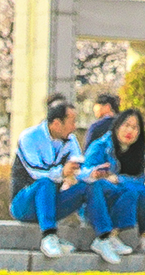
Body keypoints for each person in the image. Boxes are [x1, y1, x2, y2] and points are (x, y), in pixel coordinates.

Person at [12, 96, 119, 260]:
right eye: (72, 122)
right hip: (24, 204)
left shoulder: (70, 141)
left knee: (90, 186)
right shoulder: (29, 137)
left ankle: (104, 238)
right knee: (45, 182)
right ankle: (49, 236)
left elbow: (78, 168)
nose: (74, 127)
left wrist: (92, 174)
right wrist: (62, 172)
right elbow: (36, 172)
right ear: (56, 123)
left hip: (52, 204)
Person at [83, 100, 145, 257]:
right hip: (96, 200)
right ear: (117, 126)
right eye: (126, 125)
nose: (129, 131)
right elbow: (88, 176)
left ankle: (144, 238)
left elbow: (139, 180)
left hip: (121, 191)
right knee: (130, 191)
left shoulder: (136, 152)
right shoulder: (100, 146)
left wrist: (118, 179)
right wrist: (110, 178)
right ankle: (111, 236)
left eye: (135, 127)